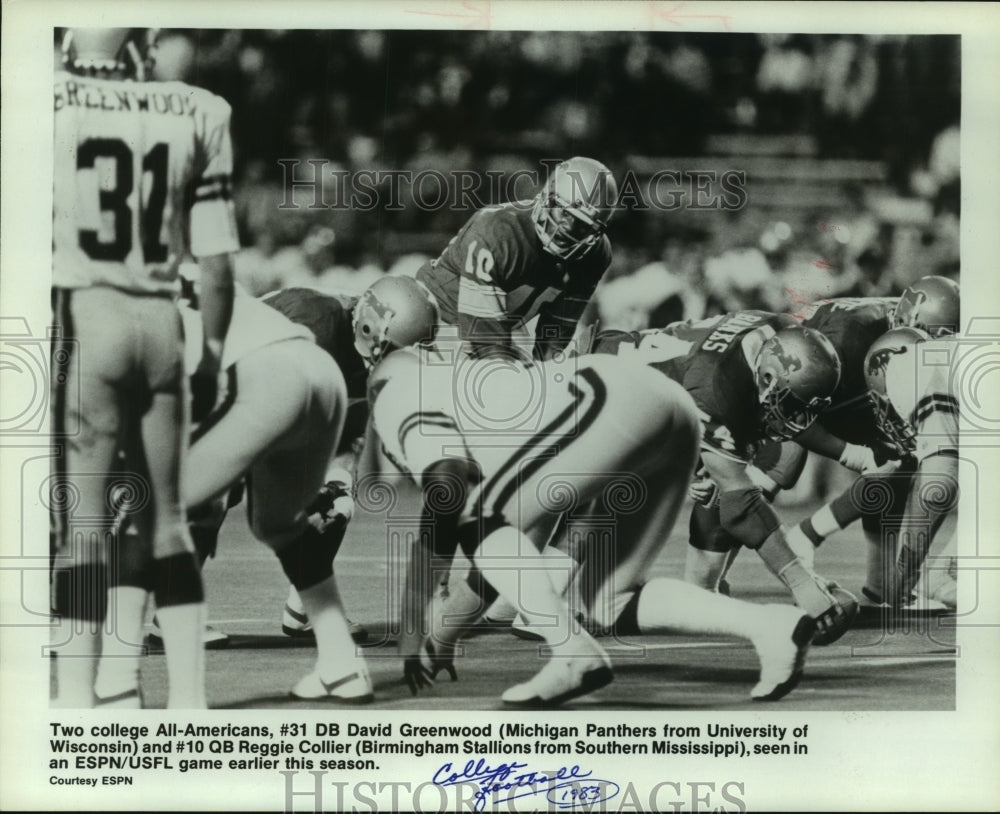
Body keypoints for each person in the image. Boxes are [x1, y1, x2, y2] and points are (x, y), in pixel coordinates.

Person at [368, 348, 816, 705]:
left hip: (604, 399)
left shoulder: (398, 394)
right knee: (605, 600)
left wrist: (425, 630)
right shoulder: (468, 394)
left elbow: (452, 497)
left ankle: (572, 652)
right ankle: (771, 626)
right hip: (669, 406)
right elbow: (497, 529)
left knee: (481, 522)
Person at [51, 28, 237, 708]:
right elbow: (216, 267)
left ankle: (78, 701)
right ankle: (189, 708)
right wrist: (212, 355)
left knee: (86, 528)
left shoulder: (56, 101)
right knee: (169, 524)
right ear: (139, 52)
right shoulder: (199, 110)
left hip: (91, 315)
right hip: (162, 320)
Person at [97, 286, 371, 704]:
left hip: (262, 378)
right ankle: (342, 664)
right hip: (320, 380)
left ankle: (123, 687)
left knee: (149, 511)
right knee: (278, 526)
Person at [593, 314, 858, 645]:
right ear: (766, 377)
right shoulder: (717, 386)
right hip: (606, 393)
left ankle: (701, 587)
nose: (798, 418)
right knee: (595, 592)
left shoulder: (781, 340)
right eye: (792, 404)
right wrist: (802, 583)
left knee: (778, 457)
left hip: (660, 398)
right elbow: (741, 505)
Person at [784, 277, 960, 605]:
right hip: (808, 379)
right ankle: (801, 541)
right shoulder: (852, 336)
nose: (940, 347)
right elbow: (792, 404)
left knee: (900, 456)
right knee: (775, 475)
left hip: (861, 376)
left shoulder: (912, 331)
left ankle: (880, 586)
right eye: (935, 338)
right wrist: (851, 452)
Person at [416, 156, 616, 362]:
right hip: (439, 319)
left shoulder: (596, 255)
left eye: (582, 224)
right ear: (546, 197)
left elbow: (554, 339)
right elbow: (485, 341)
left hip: (499, 328)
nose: (568, 227)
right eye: (564, 213)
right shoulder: (497, 231)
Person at [860, 327, 959, 607]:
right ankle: (940, 574)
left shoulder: (910, 371)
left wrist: (901, 575)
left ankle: (940, 576)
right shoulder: (947, 355)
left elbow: (937, 487)